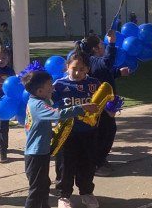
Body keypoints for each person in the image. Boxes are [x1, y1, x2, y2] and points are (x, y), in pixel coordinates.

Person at [21, 71, 98, 208]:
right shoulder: (38, 105)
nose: (53, 87)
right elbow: (59, 114)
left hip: (41, 152)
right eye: (50, 85)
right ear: (40, 91)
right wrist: (82, 107)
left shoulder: (38, 101)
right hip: (36, 155)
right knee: (36, 190)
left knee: (44, 186)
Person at [52, 51, 102, 208]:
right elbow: (47, 104)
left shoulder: (95, 84)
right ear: (67, 67)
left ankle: (87, 193)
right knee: (65, 166)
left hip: (89, 132)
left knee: (87, 164)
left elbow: (104, 102)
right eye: (74, 68)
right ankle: (63, 196)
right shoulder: (58, 85)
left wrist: (111, 107)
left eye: (82, 69)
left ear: (87, 69)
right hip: (66, 133)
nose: (78, 72)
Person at [76, 30, 129, 176]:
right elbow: (106, 63)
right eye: (102, 44)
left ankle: (100, 159)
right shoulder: (92, 60)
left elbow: (104, 73)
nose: (104, 46)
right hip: (98, 104)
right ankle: (96, 163)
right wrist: (112, 43)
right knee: (103, 133)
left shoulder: (93, 61)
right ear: (95, 48)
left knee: (107, 131)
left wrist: (118, 72)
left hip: (104, 103)